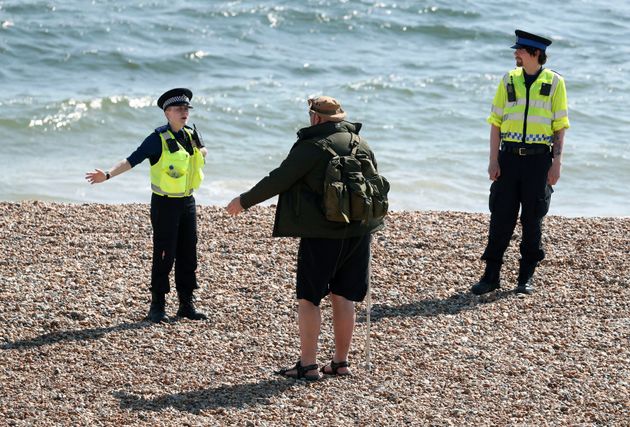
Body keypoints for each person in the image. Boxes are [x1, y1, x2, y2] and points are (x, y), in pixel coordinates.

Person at [226, 96, 384, 380]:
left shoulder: (312, 146)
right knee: (345, 295)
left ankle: (308, 364)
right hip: (360, 230)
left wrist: (244, 201)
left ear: (316, 118)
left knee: (308, 298)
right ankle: (340, 362)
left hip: (322, 234)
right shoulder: (361, 143)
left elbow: (280, 178)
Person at [85, 88, 208, 322]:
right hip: (164, 205)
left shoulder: (192, 134)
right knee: (164, 254)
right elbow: (132, 159)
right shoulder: (157, 139)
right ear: (167, 113)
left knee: (188, 253)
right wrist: (108, 175)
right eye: (179, 109)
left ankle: (186, 304)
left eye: (186, 109)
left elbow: (199, 155)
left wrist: (203, 151)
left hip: (187, 202)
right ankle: (157, 306)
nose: (184, 112)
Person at [471, 30, 570, 296]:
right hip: (508, 158)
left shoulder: (555, 83)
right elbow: (496, 124)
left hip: (539, 161)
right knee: (500, 217)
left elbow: (559, 127)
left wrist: (556, 164)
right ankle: (491, 276)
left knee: (533, 218)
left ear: (535, 54)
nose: (516, 53)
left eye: (521, 50)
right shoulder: (508, 81)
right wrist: (493, 159)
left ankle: (525, 278)